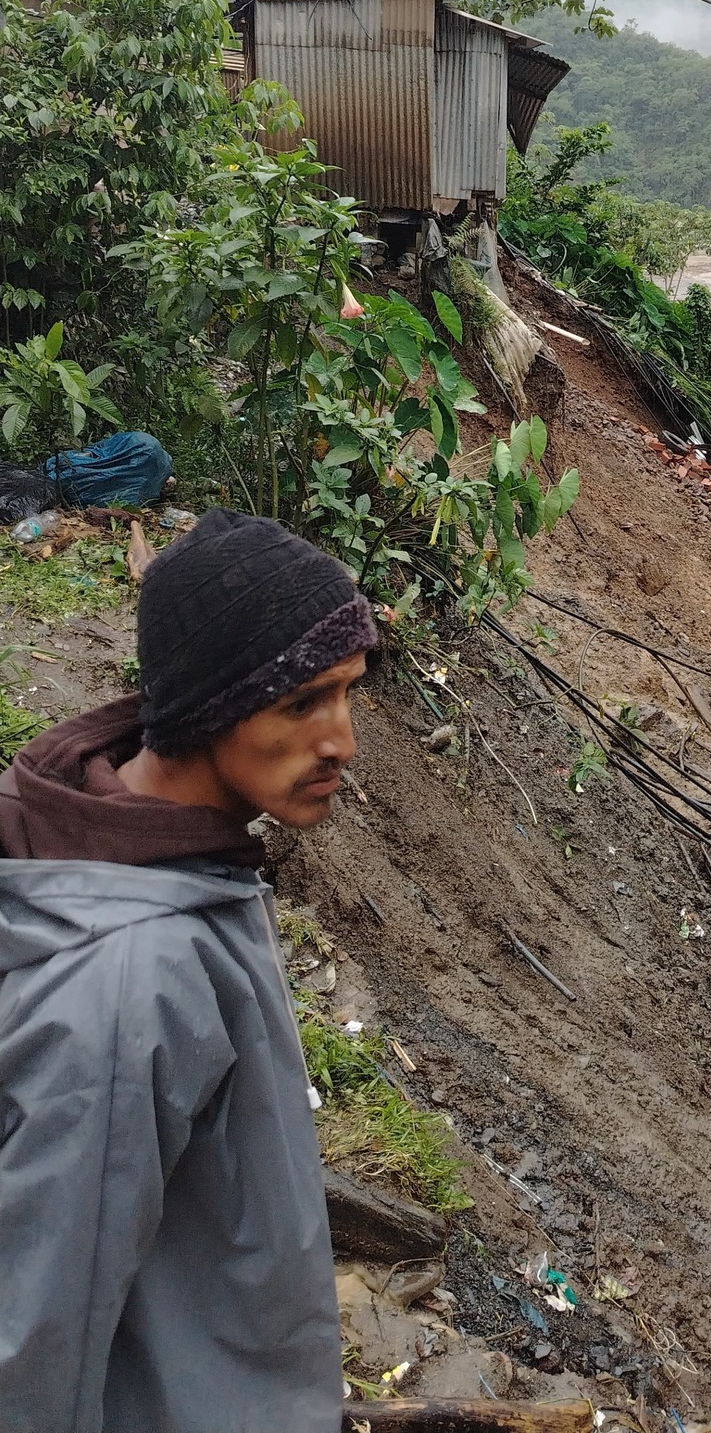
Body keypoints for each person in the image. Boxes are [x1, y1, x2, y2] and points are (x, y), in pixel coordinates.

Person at [0, 508, 378, 1433]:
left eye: (347, 694)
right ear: (214, 704)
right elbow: (35, 1339)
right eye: (303, 702)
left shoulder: (164, 858)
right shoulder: (130, 989)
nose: (342, 741)